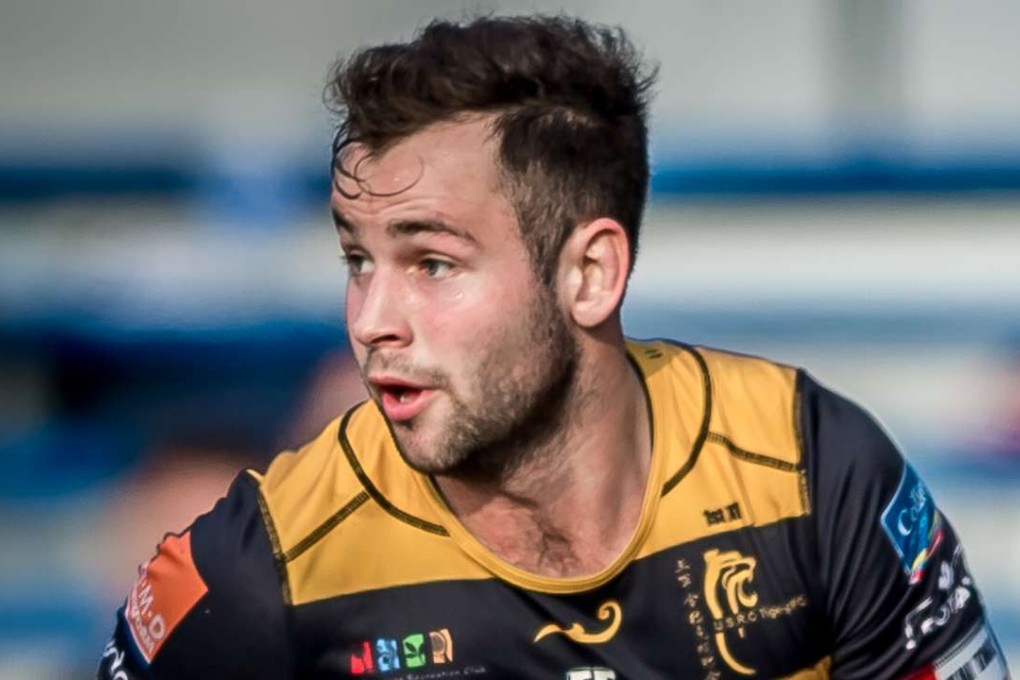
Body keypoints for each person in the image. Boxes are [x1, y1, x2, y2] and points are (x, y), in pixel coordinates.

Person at [97, 15, 1009, 680]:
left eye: (432, 263)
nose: (372, 317)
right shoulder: (271, 566)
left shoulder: (814, 470)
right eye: (357, 260)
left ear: (590, 274)